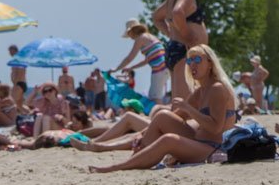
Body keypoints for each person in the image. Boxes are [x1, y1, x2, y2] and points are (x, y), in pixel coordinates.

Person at [85, 45, 236, 172]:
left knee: (168, 140)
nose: (192, 65)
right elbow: (176, 116)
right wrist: (142, 134)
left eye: (197, 60)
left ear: (210, 63)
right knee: (163, 115)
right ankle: (136, 157)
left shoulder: (217, 88)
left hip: (213, 148)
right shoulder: (200, 91)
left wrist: (189, 109)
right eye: (189, 61)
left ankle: (119, 166)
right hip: (198, 141)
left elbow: (215, 128)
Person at [151, 0, 211, 103]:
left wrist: (172, 34)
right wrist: (187, 36)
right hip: (185, 52)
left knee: (180, 103)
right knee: (186, 104)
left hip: (176, 49)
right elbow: (178, 12)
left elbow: (156, 17)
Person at [116, 21, 169, 103]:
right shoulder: (150, 37)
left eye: (129, 33)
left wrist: (116, 69)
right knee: (156, 96)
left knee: (154, 98)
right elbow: (146, 60)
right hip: (166, 67)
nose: (129, 37)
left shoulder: (140, 38)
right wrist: (131, 68)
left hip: (159, 69)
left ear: (133, 30)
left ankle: (162, 111)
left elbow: (129, 58)